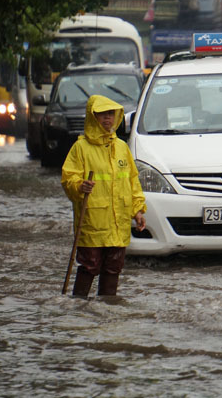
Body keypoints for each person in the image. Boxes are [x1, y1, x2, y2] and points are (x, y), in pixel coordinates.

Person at [61, 94, 147, 298]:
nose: (107, 119)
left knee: (113, 267)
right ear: (93, 117)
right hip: (93, 221)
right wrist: (80, 186)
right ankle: (79, 307)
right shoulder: (80, 148)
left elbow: (132, 181)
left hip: (118, 222)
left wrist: (138, 210)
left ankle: (108, 308)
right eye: (102, 114)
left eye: (111, 114)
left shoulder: (121, 148)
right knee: (89, 266)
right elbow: (68, 179)